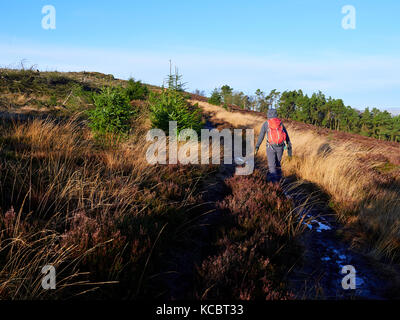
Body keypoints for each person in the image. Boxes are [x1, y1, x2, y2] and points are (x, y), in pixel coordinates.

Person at [254, 109, 292, 182]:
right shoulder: (280, 123)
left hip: (270, 147)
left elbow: (261, 136)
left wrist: (257, 146)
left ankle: (274, 185)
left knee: (272, 166)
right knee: (278, 165)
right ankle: (280, 181)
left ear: (268, 115)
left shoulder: (266, 124)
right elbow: (287, 137)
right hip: (280, 147)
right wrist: (289, 153)